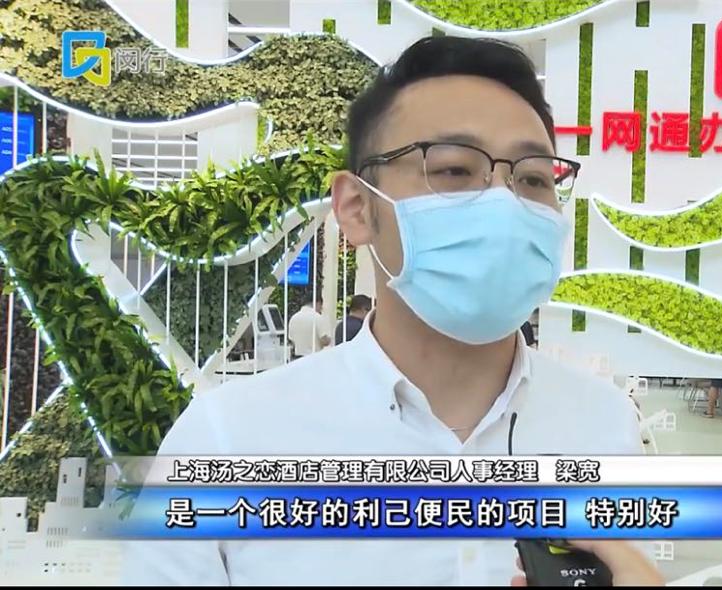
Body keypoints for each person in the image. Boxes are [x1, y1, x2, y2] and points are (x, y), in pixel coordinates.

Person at [124, 36, 662, 586]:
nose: (504, 202)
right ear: (357, 209)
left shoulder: (604, 424)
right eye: (454, 169)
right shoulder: (226, 443)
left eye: (533, 179)